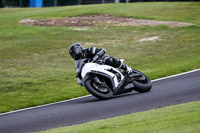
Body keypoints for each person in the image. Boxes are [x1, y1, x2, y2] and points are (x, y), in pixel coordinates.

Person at [69, 43, 133, 74]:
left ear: (78, 49)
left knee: (110, 60)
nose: (74, 55)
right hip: (95, 69)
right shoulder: (78, 62)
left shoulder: (89, 50)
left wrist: (96, 57)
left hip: (102, 60)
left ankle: (126, 67)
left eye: (74, 53)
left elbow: (102, 50)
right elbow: (79, 70)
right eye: (72, 55)